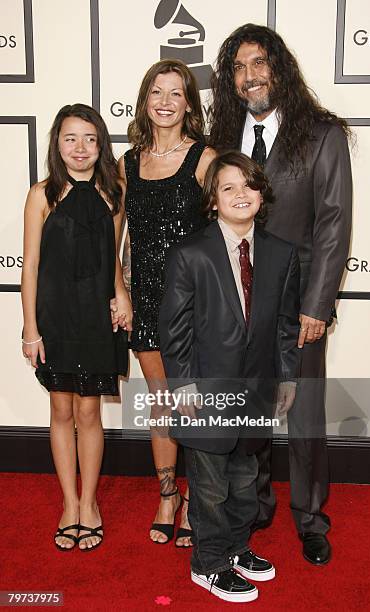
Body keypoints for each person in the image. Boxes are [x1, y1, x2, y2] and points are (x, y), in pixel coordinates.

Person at [209, 23, 352, 564]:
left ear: (280, 68)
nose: (250, 77)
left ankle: (311, 516)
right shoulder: (222, 135)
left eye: (259, 63)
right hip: (239, 297)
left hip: (301, 303)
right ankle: (257, 502)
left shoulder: (321, 134)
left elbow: (334, 224)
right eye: (239, 68)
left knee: (306, 410)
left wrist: (317, 305)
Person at [159, 151, 300, 603]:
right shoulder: (190, 253)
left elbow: (285, 325)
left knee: (245, 481)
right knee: (210, 486)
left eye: (249, 185)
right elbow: (174, 327)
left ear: (262, 193)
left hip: (256, 391)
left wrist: (288, 380)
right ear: (213, 201)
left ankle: (236, 548)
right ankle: (209, 562)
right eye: (228, 187)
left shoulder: (281, 254)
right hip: (204, 391)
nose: (241, 194)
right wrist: (181, 383)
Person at [21, 103, 132, 551]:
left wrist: (121, 295)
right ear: (57, 144)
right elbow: (29, 267)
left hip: (96, 316)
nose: (80, 148)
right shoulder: (41, 195)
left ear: (101, 143)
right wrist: (30, 329)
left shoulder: (114, 194)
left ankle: (90, 504)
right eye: (70, 138)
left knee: (89, 413)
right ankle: (69, 503)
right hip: (55, 317)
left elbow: (114, 261)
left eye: (90, 138)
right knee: (61, 411)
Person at [117, 59, 215, 547]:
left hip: (194, 302)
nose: (165, 101)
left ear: (189, 104)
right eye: (157, 91)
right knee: (161, 404)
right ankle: (167, 496)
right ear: (145, 99)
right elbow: (114, 239)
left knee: (190, 405)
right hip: (147, 299)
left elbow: (231, 225)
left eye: (176, 93)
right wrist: (120, 293)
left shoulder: (204, 158)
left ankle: (198, 500)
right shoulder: (127, 163)